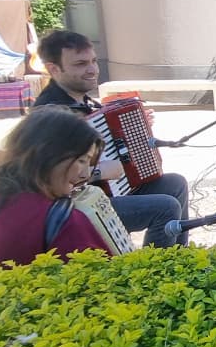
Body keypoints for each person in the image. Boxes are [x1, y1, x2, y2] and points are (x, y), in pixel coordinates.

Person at [34, 29, 190, 247]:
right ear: (54, 69)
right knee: (166, 207)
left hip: (104, 193)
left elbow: (109, 146)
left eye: (94, 61)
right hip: (76, 205)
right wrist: (99, 171)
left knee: (175, 184)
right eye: (80, 64)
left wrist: (133, 127)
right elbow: (46, 178)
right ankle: (155, 272)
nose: (92, 70)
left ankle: (179, 259)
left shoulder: (84, 104)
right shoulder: (48, 114)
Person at [0, 107, 116, 277]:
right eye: (81, 160)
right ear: (49, 156)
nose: (85, 174)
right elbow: (104, 283)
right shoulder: (61, 219)